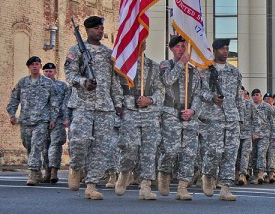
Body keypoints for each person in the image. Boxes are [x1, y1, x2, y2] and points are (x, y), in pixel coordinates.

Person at [64, 16, 123, 200]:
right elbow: (70, 75)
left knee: (101, 147)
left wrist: (118, 103)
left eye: (101, 28)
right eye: (96, 28)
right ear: (87, 30)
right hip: (83, 104)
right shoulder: (76, 51)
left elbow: (114, 81)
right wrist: (83, 81)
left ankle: (91, 185)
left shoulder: (108, 53)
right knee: (79, 140)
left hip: (105, 106)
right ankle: (75, 167)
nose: (100, 31)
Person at [157, 35, 204, 201]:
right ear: (171, 49)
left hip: (189, 115)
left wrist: (192, 110)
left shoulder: (194, 71)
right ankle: (164, 173)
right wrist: (180, 64)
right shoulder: (165, 65)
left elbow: (199, 94)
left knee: (189, 152)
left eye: (184, 46)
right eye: (177, 46)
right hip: (171, 113)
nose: (181, 49)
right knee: (170, 150)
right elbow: (167, 81)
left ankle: (182, 187)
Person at [115, 42, 163, 200]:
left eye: (142, 42)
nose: (140, 45)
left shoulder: (154, 66)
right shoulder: (124, 65)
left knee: (149, 151)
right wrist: (119, 104)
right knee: (130, 147)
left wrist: (150, 99)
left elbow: (160, 89)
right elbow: (115, 87)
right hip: (130, 111)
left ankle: (146, 186)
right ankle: (124, 172)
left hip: (149, 113)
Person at [201, 38, 245, 201]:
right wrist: (212, 97)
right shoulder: (205, 70)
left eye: (227, 48)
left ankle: (225, 188)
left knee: (231, 153)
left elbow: (238, 98)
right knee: (214, 151)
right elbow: (200, 92)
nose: (225, 51)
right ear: (215, 50)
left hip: (232, 118)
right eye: (222, 49)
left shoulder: (234, 72)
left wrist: (241, 117)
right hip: (214, 117)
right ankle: (208, 175)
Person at [6, 56, 58, 186]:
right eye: (32, 65)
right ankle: (37, 170)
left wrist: (52, 118)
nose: (34, 66)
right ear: (28, 67)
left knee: (36, 146)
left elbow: (54, 102)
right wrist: (12, 114)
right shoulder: (22, 82)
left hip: (41, 120)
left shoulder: (48, 83)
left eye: (36, 64)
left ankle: (33, 173)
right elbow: (14, 99)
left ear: (40, 66)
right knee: (28, 145)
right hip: (25, 120)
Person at [41, 62, 70, 183]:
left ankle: (54, 171)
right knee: (44, 147)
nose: (48, 73)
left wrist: (66, 118)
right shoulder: (39, 85)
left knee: (55, 146)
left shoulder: (62, 86)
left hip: (58, 120)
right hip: (42, 120)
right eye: (46, 71)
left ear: (55, 72)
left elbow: (66, 103)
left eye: (50, 71)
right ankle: (46, 172)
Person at [249, 88, 275, 185]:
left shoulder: (267, 107)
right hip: (252, 135)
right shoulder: (249, 106)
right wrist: (251, 133)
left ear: (261, 96)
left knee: (261, 154)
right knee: (254, 155)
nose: (255, 97)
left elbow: (272, 122)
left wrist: (274, 135)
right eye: (254, 95)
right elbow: (248, 121)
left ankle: (260, 174)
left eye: (257, 95)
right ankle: (256, 174)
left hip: (264, 134)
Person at [236, 86, 255, 186]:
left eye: (242, 91)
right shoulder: (234, 104)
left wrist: (255, 132)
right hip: (235, 133)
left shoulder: (250, 104)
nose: (240, 92)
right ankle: (236, 173)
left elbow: (256, 119)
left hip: (247, 133)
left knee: (245, 154)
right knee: (236, 155)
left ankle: (242, 174)